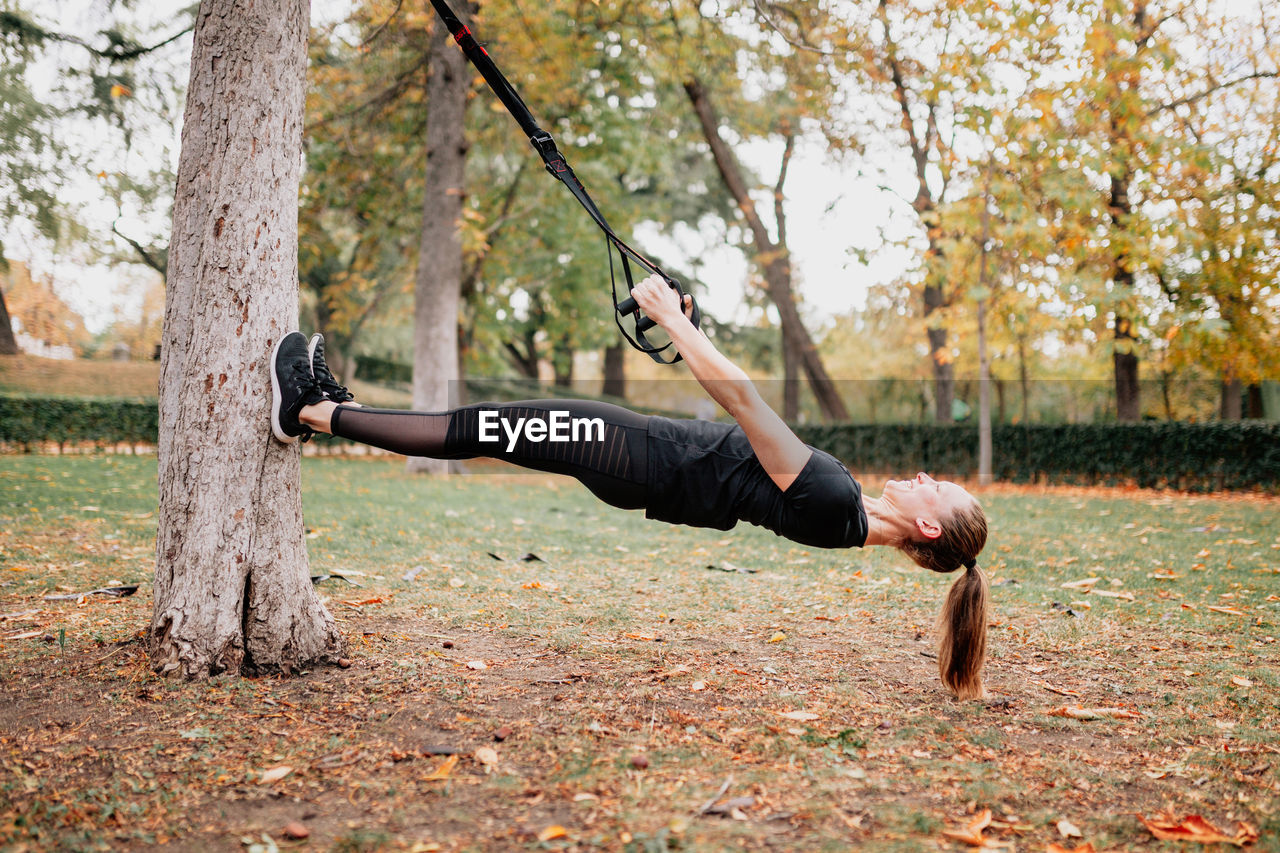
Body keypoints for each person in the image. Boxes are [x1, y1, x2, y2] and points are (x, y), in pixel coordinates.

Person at [270, 274, 990, 699]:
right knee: (483, 427)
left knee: (478, 427)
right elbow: (744, 432)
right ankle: (336, 410)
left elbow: (743, 401)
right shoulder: (848, 510)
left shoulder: (835, 504)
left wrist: (674, 320)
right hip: (647, 458)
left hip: (640, 456)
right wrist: (687, 330)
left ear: (930, 528)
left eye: (939, 489)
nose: (926, 478)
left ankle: (313, 409)